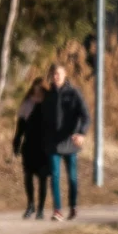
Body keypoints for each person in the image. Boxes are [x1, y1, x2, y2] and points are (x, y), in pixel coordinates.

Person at [38, 59, 89, 220]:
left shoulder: (73, 93)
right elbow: (42, 119)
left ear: (64, 74)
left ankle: (73, 205)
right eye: (53, 74)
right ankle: (57, 210)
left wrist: (81, 133)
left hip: (70, 142)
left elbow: (86, 116)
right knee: (54, 176)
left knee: (72, 177)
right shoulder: (47, 96)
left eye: (58, 73)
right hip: (53, 143)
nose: (56, 77)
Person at [12, 77, 49, 218]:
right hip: (29, 145)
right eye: (36, 88)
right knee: (28, 176)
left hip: (44, 147)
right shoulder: (27, 104)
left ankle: (41, 209)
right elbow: (20, 126)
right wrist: (16, 142)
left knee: (43, 178)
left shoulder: (48, 104)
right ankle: (30, 205)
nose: (38, 92)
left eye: (41, 89)